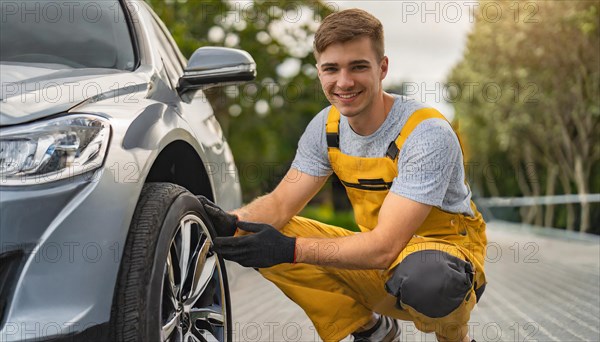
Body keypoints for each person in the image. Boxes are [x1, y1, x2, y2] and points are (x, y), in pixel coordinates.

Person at [199, 8, 487, 342]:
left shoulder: (425, 133)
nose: (344, 82)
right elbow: (279, 205)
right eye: (331, 69)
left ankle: (455, 337)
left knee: (429, 280)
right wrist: (228, 223)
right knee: (258, 231)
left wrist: (291, 250)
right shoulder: (326, 127)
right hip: (376, 261)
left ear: (382, 68)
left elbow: (385, 246)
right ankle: (371, 329)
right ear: (319, 71)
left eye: (358, 67)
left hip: (444, 261)